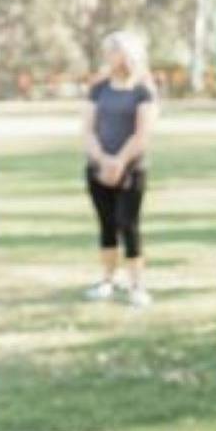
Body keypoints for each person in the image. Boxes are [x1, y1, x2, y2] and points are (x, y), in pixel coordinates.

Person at [81, 31, 159, 307]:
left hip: (131, 171)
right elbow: (88, 130)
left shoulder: (143, 91)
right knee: (107, 225)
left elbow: (142, 134)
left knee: (128, 224)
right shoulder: (98, 88)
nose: (109, 57)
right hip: (97, 170)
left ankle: (137, 285)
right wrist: (103, 160)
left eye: (114, 51)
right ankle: (107, 281)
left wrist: (119, 162)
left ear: (128, 55)